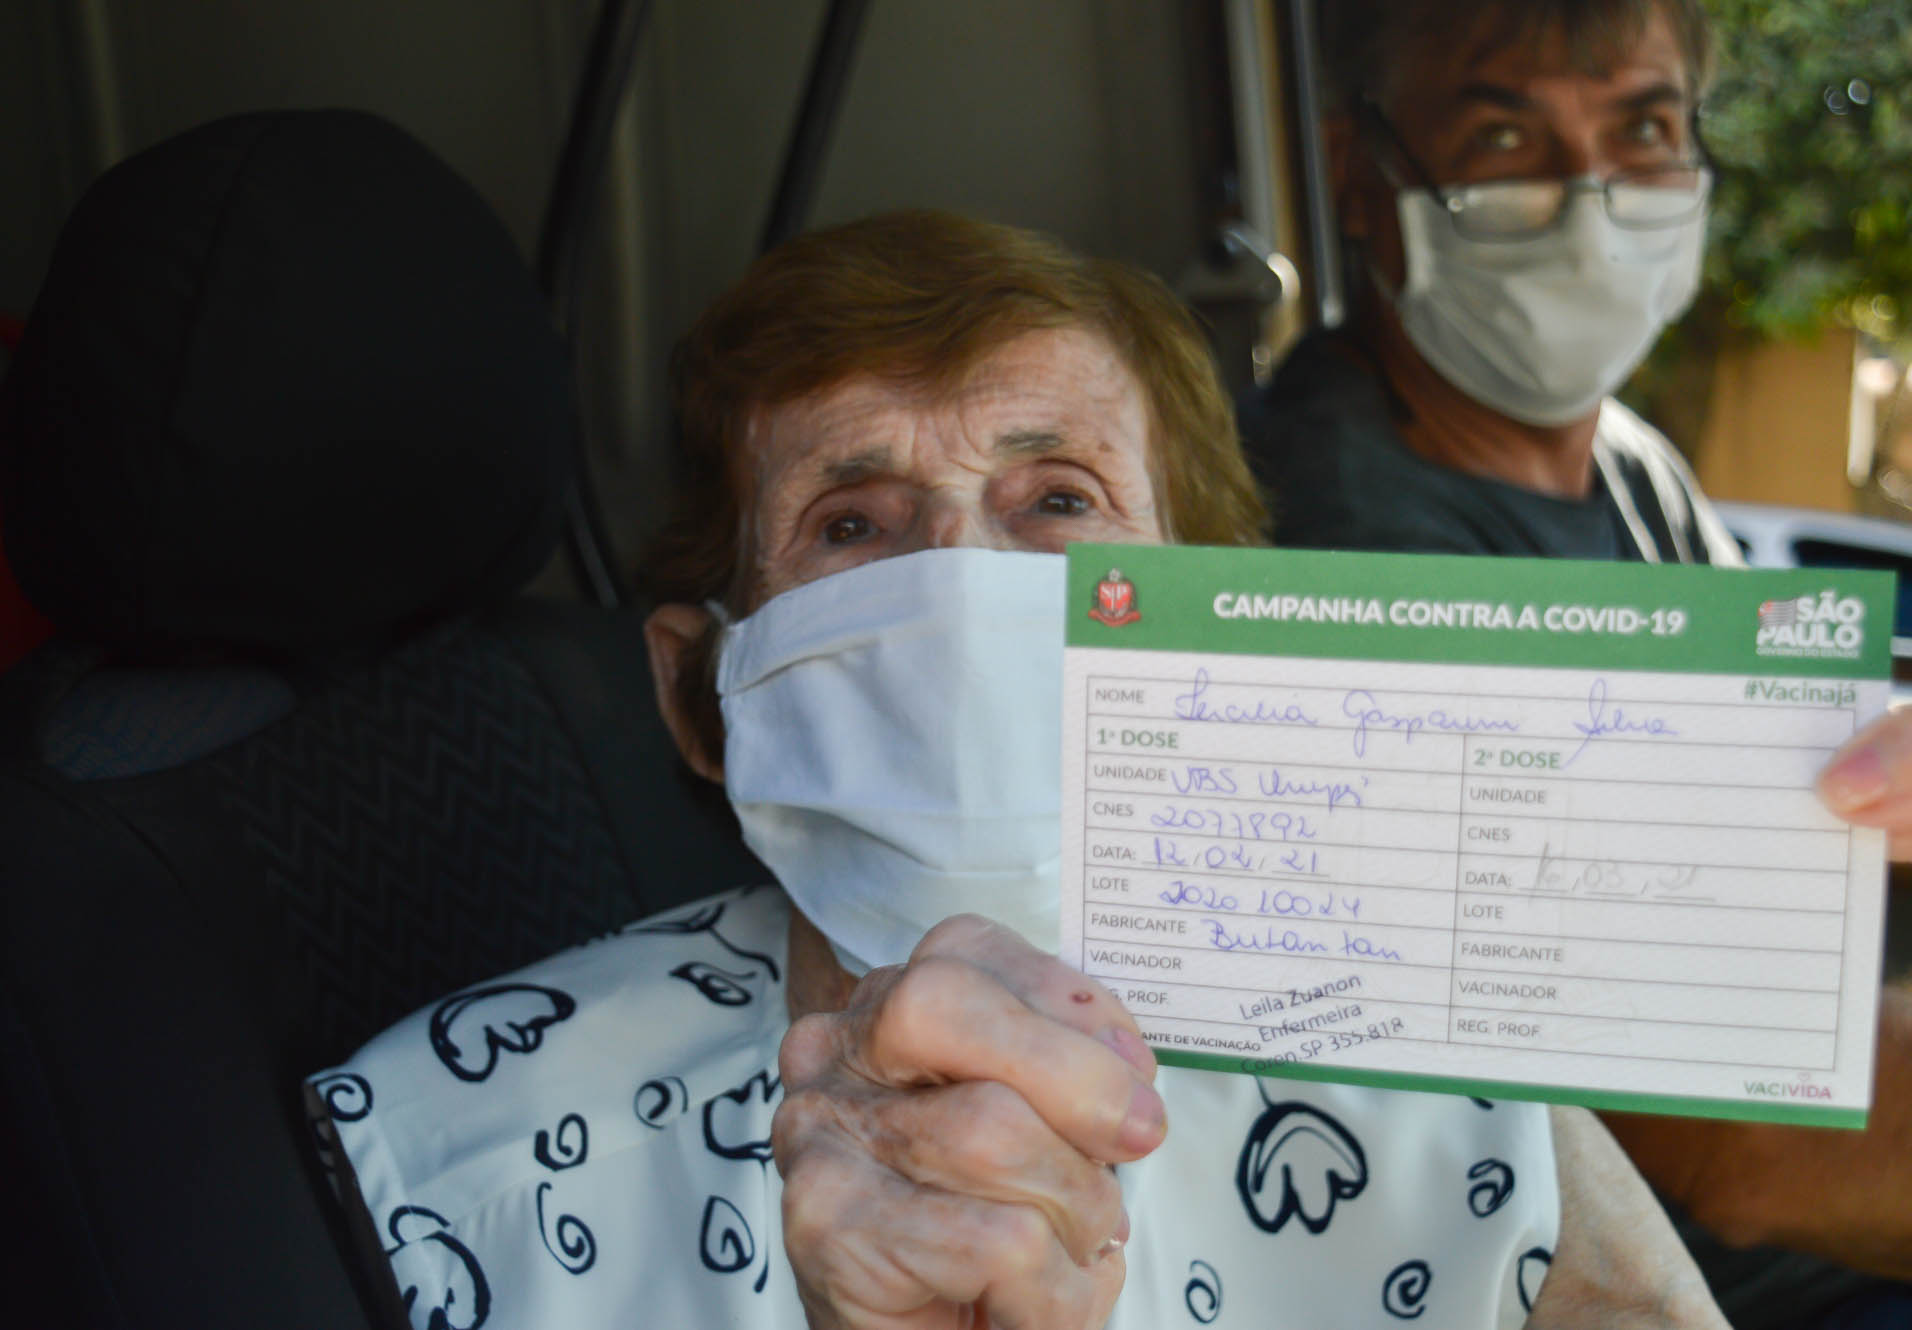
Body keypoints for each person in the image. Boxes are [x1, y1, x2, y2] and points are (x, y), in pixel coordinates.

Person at [309, 210, 1724, 1329]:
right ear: (702, 694)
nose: (960, 587)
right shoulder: (452, 1155)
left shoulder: (1431, 1064)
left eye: (1058, 500)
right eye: (852, 525)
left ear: (1225, 627)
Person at [1243, 1, 1912, 1323]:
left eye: (1646, 128)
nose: (1592, 201)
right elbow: (1735, 1137)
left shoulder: (1623, 458)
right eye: (1504, 133)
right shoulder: (1351, 547)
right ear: (1357, 180)